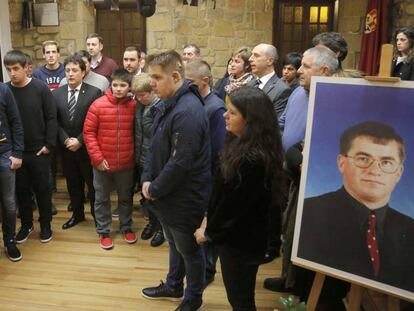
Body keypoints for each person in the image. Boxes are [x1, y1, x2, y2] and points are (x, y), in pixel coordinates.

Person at [194, 86, 284, 310]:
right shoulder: (240, 142)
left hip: (242, 242)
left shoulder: (253, 159)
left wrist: (209, 232)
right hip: (236, 238)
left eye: (232, 112)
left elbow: (234, 207)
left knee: (241, 299)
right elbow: (222, 193)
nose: (225, 115)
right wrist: (208, 218)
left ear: (251, 120)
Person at [299, 121, 414, 293]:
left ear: (399, 173)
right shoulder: (308, 214)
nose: (374, 170)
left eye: (387, 162)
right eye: (363, 159)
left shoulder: (410, 229)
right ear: (341, 163)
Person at [141, 50, 210, 311]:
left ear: (175, 75)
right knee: (174, 243)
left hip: (183, 197)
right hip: (166, 195)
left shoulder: (187, 111)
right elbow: (156, 146)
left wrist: (154, 188)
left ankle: (193, 298)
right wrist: (147, 179)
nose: (151, 83)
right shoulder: (169, 102)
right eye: (150, 77)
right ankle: (173, 285)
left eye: (156, 78)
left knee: (189, 250)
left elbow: (181, 162)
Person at [4, 50, 57, 244]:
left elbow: (51, 117)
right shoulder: (5, 90)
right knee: (21, 191)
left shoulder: (40, 88)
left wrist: (49, 145)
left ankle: (45, 225)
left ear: (26, 68)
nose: (12, 73)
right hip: (15, 152)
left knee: (43, 190)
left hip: (39, 150)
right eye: (8, 69)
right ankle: (26, 224)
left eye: (16, 69)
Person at [83, 69, 137, 249]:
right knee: (101, 199)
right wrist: (97, 158)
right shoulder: (98, 105)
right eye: (115, 85)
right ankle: (104, 230)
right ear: (110, 85)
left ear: (129, 87)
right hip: (101, 164)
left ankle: (126, 226)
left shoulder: (134, 106)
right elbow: (88, 133)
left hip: (126, 164)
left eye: (123, 85)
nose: (119, 89)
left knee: (125, 198)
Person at [185, 59, 227, 287]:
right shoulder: (195, 102)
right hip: (196, 179)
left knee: (208, 224)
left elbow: (218, 151)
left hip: (209, 178)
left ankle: (207, 270)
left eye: (190, 82)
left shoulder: (216, 107)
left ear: (205, 81)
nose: (186, 86)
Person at [54, 55, 102, 230]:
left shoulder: (94, 92)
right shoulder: (57, 93)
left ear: (83, 72)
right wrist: (65, 139)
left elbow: (98, 121)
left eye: (74, 70)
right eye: (67, 70)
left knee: (92, 185)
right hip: (66, 148)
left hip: (87, 148)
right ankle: (78, 215)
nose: (70, 74)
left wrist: (80, 140)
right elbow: (54, 121)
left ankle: (98, 218)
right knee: (73, 184)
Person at [279, 46, 338, 152]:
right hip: (284, 162)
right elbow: (282, 123)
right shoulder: (297, 91)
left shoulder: (334, 102)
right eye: (301, 65)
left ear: (324, 71)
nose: (299, 71)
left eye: (306, 66)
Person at [131, 73, 164, 247]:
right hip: (141, 157)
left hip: (156, 160)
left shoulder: (161, 107)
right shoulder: (138, 105)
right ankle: (152, 223)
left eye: (143, 95)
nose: (139, 98)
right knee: (146, 196)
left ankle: (161, 229)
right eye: (137, 95)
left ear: (153, 91)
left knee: (158, 197)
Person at [0, 82, 24, 261]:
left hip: (5, 153)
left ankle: (9, 240)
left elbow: (16, 121)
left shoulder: (3, 89)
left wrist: (17, 153)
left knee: (8, 203)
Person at [248, 43, 291, 119]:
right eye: (251, 55)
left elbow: (275, 123)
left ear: (270, 61)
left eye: (256, 55)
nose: (250, 59)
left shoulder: (282, 90)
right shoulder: (250, 84)